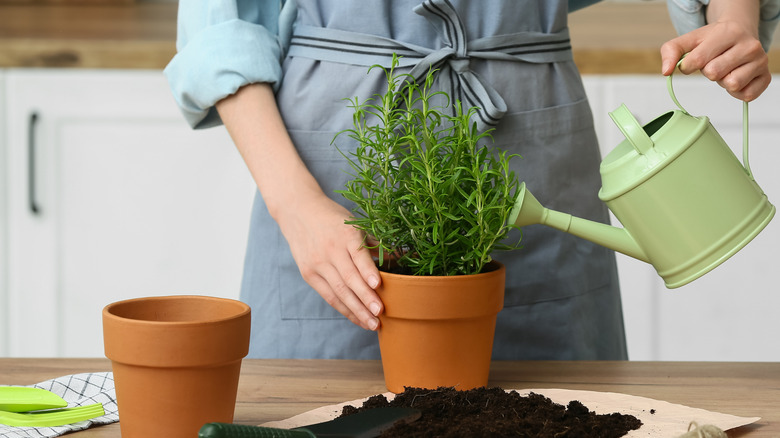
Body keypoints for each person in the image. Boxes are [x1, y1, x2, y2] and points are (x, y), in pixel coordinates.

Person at [165, 0, 776, 359]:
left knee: (571, 410)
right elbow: (222, 22)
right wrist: (296, 206)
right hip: (330, 184)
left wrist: (733, 16)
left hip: (535, 141)